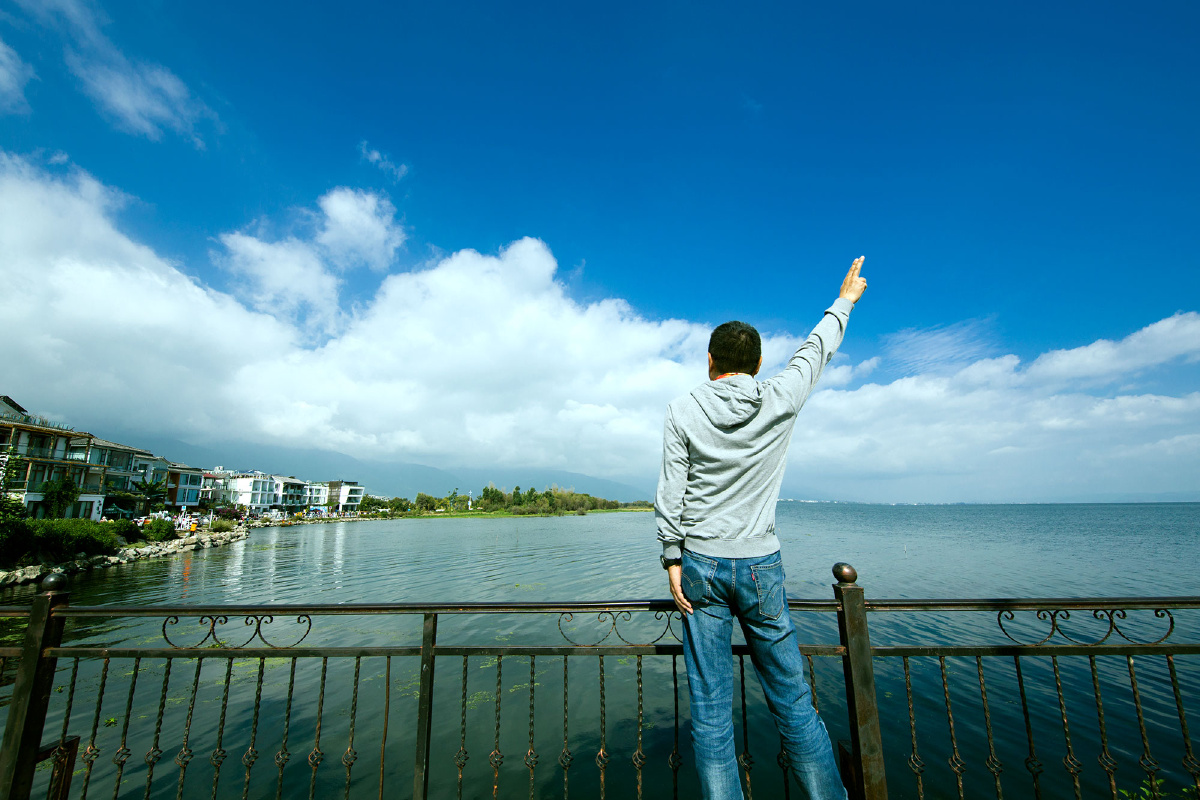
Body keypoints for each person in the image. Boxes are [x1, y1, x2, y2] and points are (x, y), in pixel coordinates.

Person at [654, 256, 867, 799]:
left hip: (700, 566)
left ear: (710, 361)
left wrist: (672, 557)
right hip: (760, 567)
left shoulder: (681, 409)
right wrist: (843, 302)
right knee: (793, 701)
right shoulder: (780, 396)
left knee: (710, 711)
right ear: (758, 363)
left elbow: (672, 491)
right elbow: (814, 351)